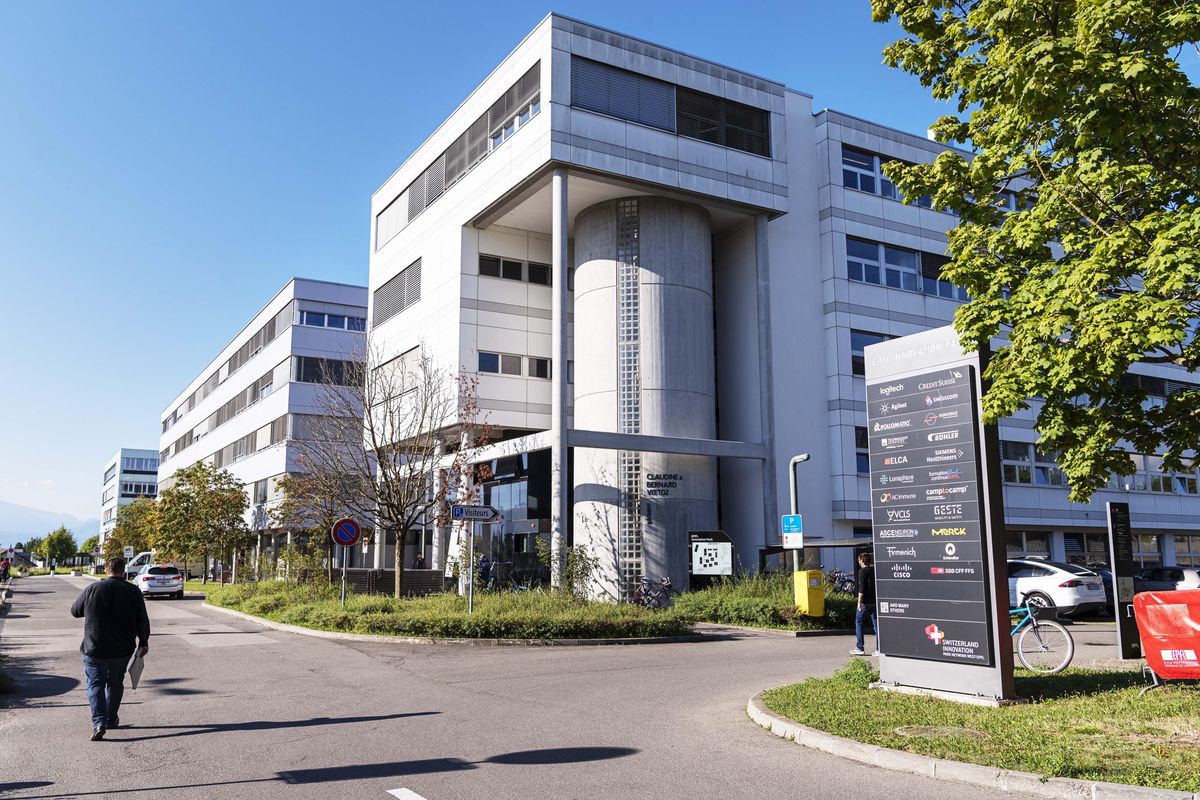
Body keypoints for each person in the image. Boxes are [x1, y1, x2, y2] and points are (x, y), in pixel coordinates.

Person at [70, 557, 150, 741]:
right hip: (122, 648)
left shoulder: (93, 588)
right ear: (123, 570)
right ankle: (111, 718)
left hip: (95, 647)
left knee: (95, 684)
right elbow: (142, 620)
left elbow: (75, 611)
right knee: (115, 684)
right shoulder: (133, 591)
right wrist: (143, 642)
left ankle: (99, 723)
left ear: (107, 569)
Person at [850, 551, 878, 656]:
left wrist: (859, 603)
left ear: (861, 561)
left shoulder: (862, 572)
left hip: (865, 602)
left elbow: (861, 589)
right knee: (876, 625)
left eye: (859, 560)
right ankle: (879, 648)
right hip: (874, 601)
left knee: (859, 622)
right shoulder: (874, 570)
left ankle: (859, 647)